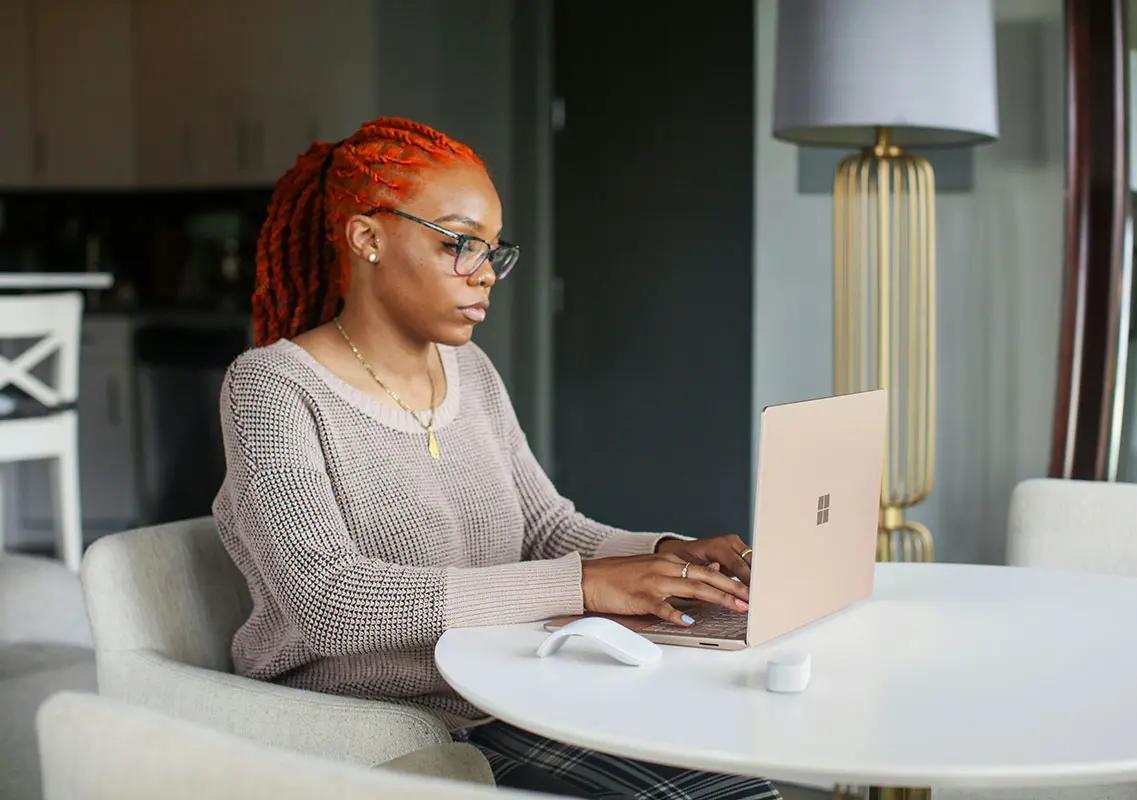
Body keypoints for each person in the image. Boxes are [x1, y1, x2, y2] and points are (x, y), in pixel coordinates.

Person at [213, 117, 777, 799]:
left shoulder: (469, 370)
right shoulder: (272, 386)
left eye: (492, 251)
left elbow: (547, 528)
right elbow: (329, 599)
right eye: (459, 245)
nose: (486, 276)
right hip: (381, 728)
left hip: (507, 691)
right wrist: (585, 585)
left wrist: (669, 555)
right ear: (368, 238)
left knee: (741, 788)